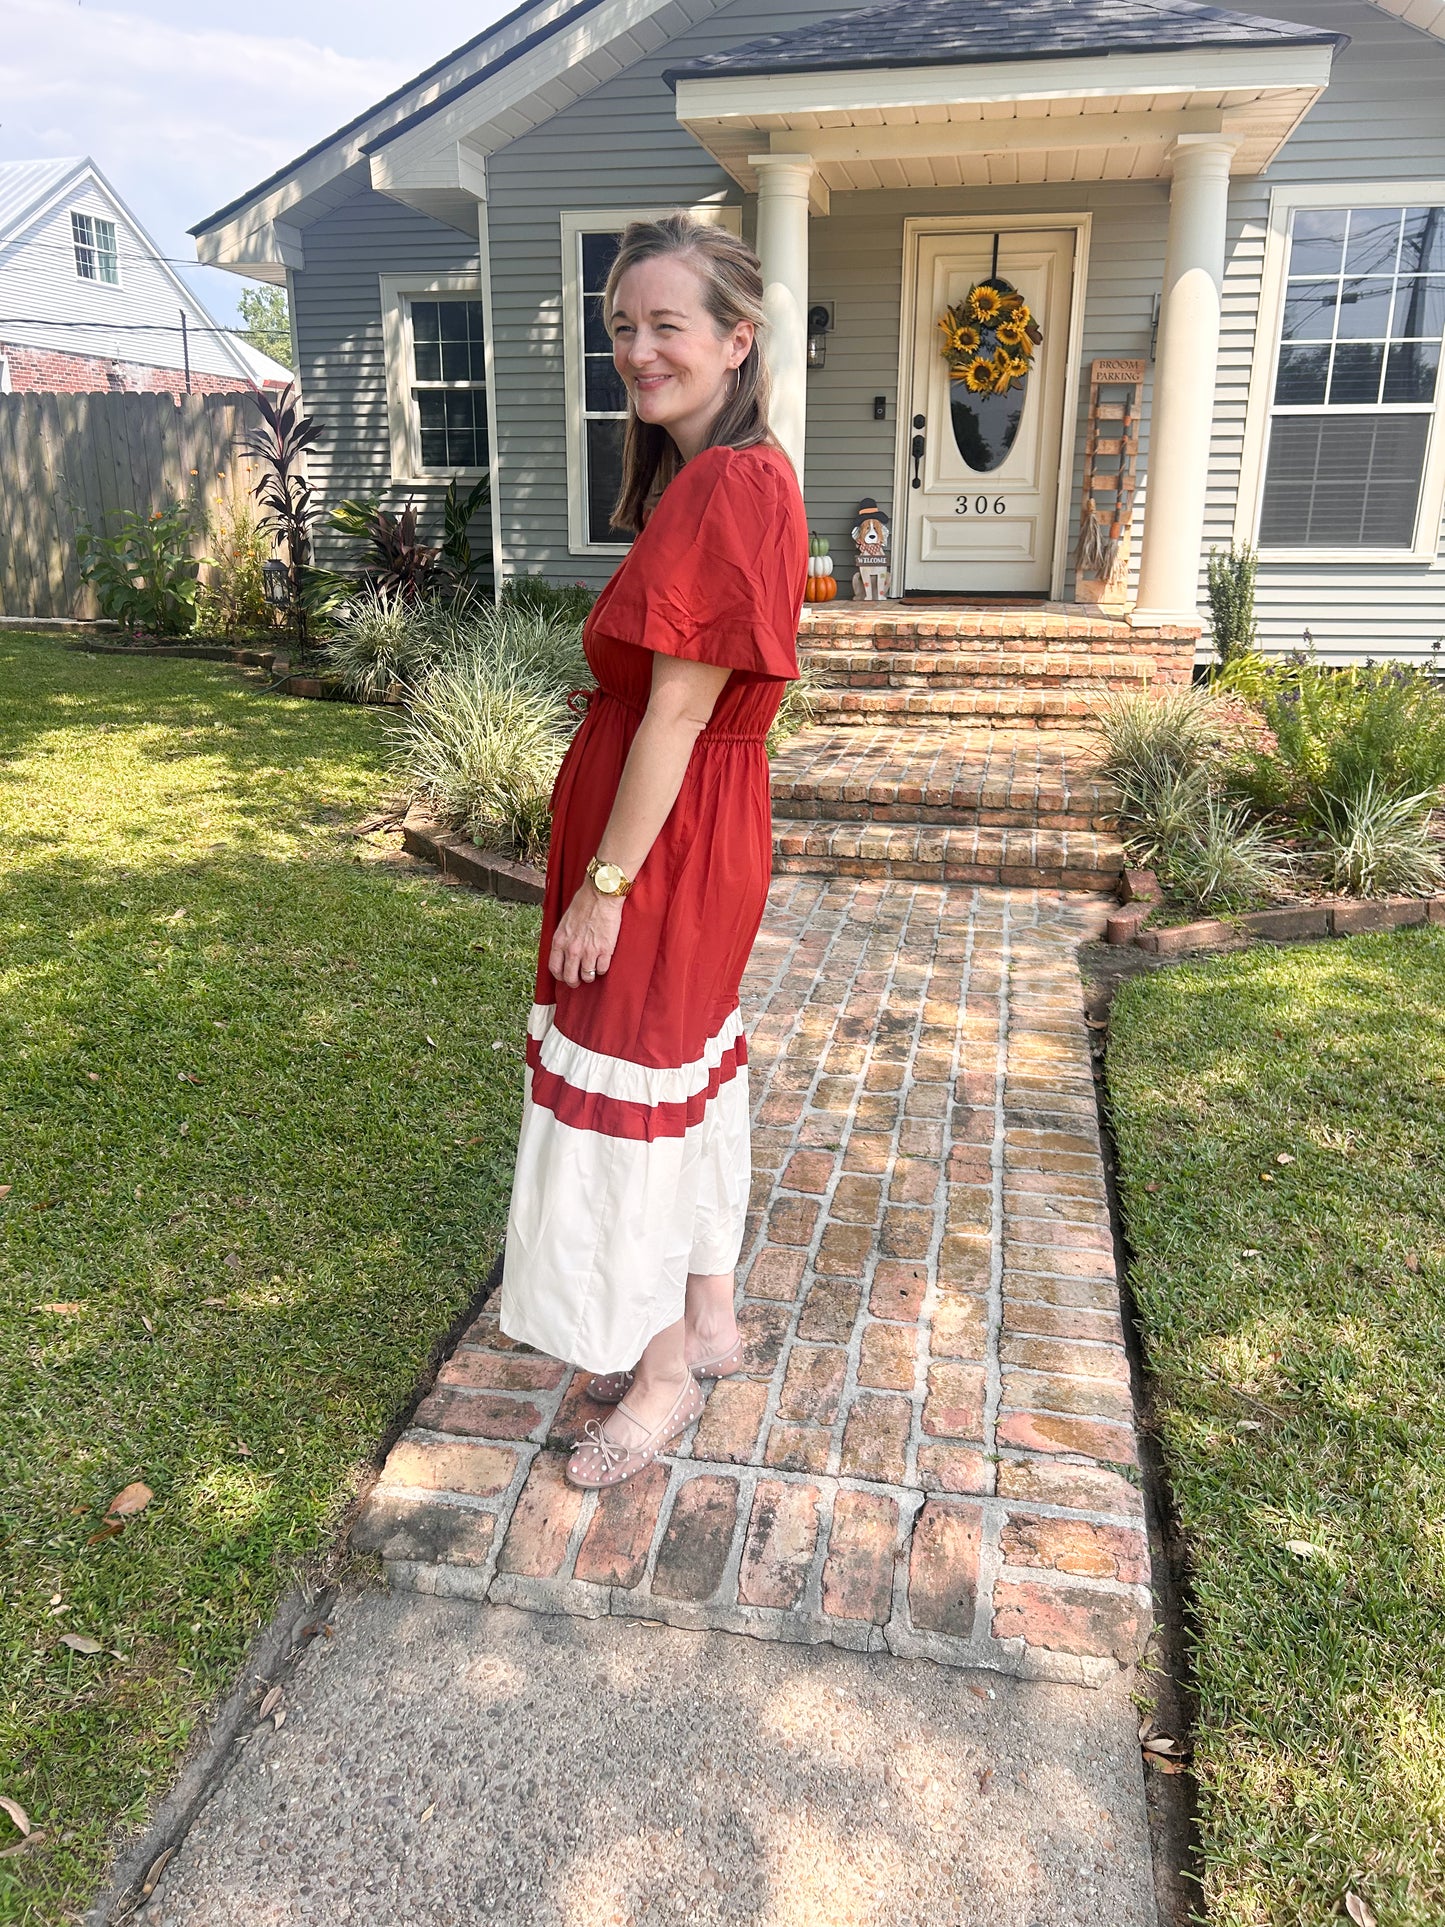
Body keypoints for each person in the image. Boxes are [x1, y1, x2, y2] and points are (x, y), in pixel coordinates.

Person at [498, 212, 807, 1492]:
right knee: (681, 1077)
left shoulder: (729, 483)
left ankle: (666, 1375)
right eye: (621, 326)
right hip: (697, 820)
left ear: (736, 340)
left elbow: (675, 711)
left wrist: (602, 885)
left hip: (666, 839)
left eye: (664, 324)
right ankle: (711, 1314)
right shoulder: (724, 478)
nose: (636, 348)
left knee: (633, 1089)